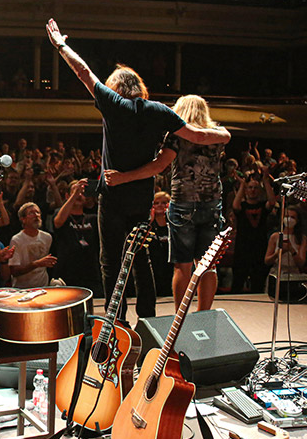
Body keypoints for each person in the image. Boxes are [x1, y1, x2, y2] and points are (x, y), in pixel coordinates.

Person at [48, 19, 230, 321]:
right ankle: (147, 318)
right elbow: (196, 137)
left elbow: (83, 72)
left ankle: (116, 321)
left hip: (114, 195)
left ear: (116, 87)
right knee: (140, 257)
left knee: (110, 261)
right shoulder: (158, 110)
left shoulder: (112, 103)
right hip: (142, 195)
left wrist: (61, 44)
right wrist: (224, 135)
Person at [105, 94, 227, 311]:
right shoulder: (220, 134)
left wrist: (123, 177)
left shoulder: (175, 137)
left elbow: (158, 166)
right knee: (208, 265)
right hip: (212, 204)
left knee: (183, 265)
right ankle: (204, 316)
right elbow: (206, 139)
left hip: (183, 204)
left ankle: (181, 318)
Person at [231, 167, 276, 292]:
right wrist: (242, 185)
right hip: (242, 247)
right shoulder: (242, 206)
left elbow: (272, 202)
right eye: (250, 188)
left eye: (255, 188)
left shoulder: (263, 205)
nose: (252, 190)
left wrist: (266, 180)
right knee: (238, 280)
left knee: (258, 281)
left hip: (259, 246)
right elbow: (235, 205)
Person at [51, 179, 101, 293]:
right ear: (68, 195)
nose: (79, 195)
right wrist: (74, 195)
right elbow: (58, 223)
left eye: (82, 193)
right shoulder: (60, 213)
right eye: (75, 191)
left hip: (90, 272)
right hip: (67, 272)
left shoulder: (92, 218)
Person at [264, 206, 307, 297]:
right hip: (277, 273)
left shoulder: (301, 238)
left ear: (297, 220)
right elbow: (267, 261)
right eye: (287, 216)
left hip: (293, 275)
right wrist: (278, 253)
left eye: (292, 217)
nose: (289, 219)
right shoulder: (275, 236)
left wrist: (292, 250)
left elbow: (301, 263)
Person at [8, 202, 56, 288]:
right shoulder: (17, 240)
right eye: (31, 213)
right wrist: (36, 264)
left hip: (43, 287)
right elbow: (14, 271)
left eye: (38, 212)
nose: (36, 215)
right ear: (23, 219)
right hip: (23, 289)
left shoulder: (47, 237)